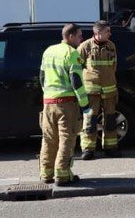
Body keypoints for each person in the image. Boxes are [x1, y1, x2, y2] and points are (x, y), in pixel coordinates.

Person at [38, 23, 89, 184]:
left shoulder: (48, 51)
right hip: (66, 104)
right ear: (70, 36)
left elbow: (42, 77)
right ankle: (62, 174)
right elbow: (76, 82)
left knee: (48, 139)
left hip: (48, 102)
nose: (82, 39)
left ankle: (46, 174)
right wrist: (84, 104)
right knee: (67, 139)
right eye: (80, 36)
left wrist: (47, 93)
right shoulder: (72, 54)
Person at [77, 20, 120, 159]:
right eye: (107, 31)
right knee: (90, 120)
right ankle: (88, 149)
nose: (110, 34)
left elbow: (114, 66)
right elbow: (78, 68)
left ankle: (110, 147)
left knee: (110, 119)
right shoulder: (85, 47)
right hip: (91, 91)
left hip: (109, 90)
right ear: (97, 32)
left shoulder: (111, 46)